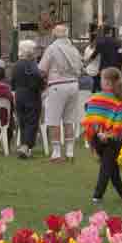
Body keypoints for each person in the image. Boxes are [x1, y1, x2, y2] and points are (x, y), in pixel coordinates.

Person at [82, 66, 122, 204]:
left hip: (99, 137)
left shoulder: (95, 98)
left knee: (110, 166)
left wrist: (100, 131)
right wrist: (109, 134)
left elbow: (90, 115)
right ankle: (98, 196)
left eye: (101, 79)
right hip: (114, 139)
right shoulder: (121, 101)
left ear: (107, 82)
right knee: (108, 166)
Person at [38, 25, 84, 162]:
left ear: (54, 35)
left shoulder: (52, 48)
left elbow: (41, 69)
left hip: (57, 85)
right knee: (69, 119)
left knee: (53, 120)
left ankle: (56, 153)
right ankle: (70, 152)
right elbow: (81, 67)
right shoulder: (73, 49)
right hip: (74, 84)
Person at [12, 40, 44, 159]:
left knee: (22, 121)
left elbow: (13, 82)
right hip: (31, 94)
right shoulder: (32, 64)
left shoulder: (16, 65)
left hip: (19, 94)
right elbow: (37, 77)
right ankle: (25, 146)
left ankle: (23, 146)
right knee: (32, 121)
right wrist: (42, 85)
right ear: (30, 51)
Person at [89, 24, 122, 92]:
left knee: (105, 85)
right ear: (110, 32)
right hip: (114, 67)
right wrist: (120, 66)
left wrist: (89, 60)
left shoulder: (100, 42)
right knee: (114, 85)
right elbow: (120, 54)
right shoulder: (117, 42)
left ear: (104, 32)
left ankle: (105, 99)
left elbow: (95, 54)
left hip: (104, 67)